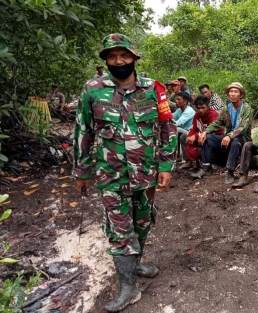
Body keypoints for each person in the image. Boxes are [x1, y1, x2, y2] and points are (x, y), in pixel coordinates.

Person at [73, 33, 177, 312]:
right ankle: (128, 289)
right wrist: (81, 171)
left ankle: (136, 262)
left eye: (124, 55)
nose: (118, 61)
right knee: (120, 231)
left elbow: (168, 128)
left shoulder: (153, 89)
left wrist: (166, 165)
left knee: (142, 222)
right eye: (111, 56)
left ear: (134, 57)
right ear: (106, 60)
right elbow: (83, 132)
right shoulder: (93, 90)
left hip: (146, 173)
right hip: (110, 175)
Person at [191, 82, 253, 184]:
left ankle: (230, 171)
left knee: (235, 142)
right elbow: (218, 122)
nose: (232, 94)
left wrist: (229, 136)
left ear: (241, 95)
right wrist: (205, 131)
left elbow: (243, 127)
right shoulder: (227, 108)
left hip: (242, 137)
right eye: (230, 92)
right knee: (209, 137)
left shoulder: (247, 108)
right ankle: (206, 166)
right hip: (229, 135)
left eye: (235, 92)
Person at [180, 96, 222, 169]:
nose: (200, 110)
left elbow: (211, 131)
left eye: (203, 108)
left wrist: (195, 136)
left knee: (206, 138)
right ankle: (189, 161)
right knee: (184, 137)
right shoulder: (197, 115)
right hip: (200, 136)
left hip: (214, 138)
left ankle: (208, 163)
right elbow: (194, 128)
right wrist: (190, 136)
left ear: (208, 107)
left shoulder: (213, 114)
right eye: (198, 108)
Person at [173, 91, 195, 162]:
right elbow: (172, 116)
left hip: (191, 133)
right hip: (184, 131)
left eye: (178, 99)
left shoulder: (189, 111)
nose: (176, 101)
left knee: (175, 128)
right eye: (176, 99)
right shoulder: (179, 110)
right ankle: (176, 154)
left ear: (185, 101)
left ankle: (175, 154)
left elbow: (178, 123)